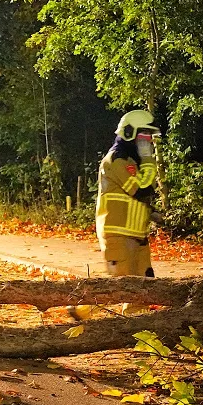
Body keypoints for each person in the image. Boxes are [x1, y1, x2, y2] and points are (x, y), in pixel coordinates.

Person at [70, 110, 160, 320]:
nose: (147, 142)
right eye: (144, 136)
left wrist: (151, 212)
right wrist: (148, 160)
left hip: (136, 231)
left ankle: (136, 327)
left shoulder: (131, 160)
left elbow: (140, 196)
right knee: (121, 285)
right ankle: (80, 311)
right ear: (130, 133)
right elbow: (141, 188)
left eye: (149, 137)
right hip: (118, 231)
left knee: (142, 286)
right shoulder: (118, 159)